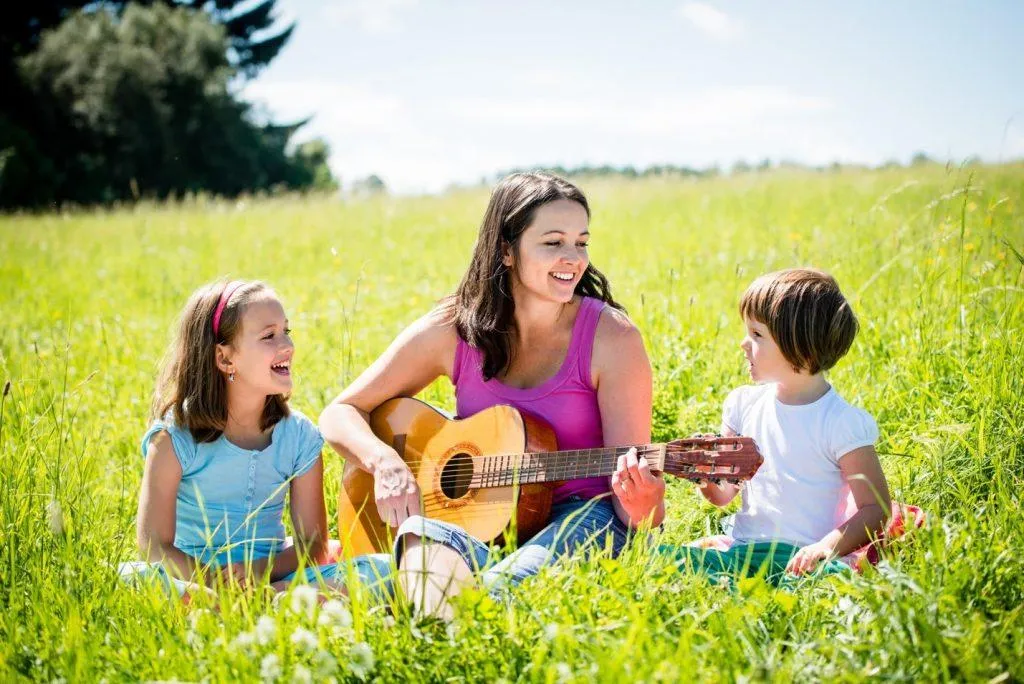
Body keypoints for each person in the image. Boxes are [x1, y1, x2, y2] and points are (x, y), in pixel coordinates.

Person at [320, 172, 664, 617]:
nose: (572, 258)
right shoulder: (456, 327)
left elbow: (642, 518)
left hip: (584, 517)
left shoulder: (612, 339)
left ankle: (431, 600)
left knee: (493, 589)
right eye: (553, 242)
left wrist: (644, 503)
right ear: (505, 249)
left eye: (581, 242)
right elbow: (342, 411)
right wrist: (384, 462)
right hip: (473, 522)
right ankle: (435, 590)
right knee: (424, 543)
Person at [120, 280, 384, 599]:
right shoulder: (174, 437)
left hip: (270, 575)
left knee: (381, 570)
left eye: (287, 331)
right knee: (129, 578)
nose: (287, 344)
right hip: (193, 578)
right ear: (225, 359)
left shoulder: (299, 436)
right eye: (269, 336)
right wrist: (217, 583)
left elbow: (313, 546)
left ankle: (275, 598)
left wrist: (257, 574)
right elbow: (154, 545)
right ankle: (273, 604)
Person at [667, 268, 891, 584]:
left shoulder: (841, 423)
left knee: (829, 582)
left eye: (757, 335)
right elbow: (723, 496)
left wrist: (825, 548)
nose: (744, 344)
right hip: (744, 552)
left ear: (800, 347)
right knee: (664, 560)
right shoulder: (743, 405)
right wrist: (705, 475)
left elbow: (876, 510)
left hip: (802, 559)